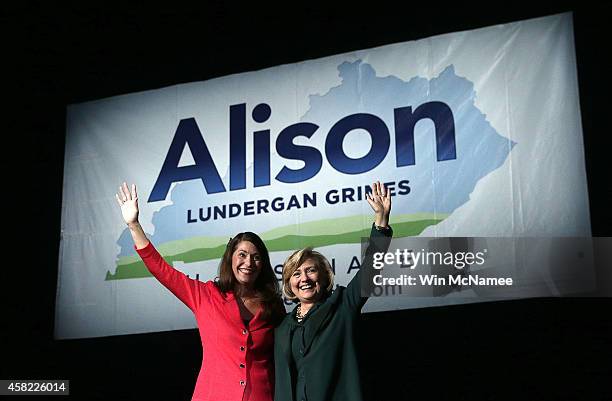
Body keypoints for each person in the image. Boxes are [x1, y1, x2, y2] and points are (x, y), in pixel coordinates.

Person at [116, 182, 284, 401]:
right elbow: (162, 270)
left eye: (256, 257)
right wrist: (133, 224)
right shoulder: (205, 295)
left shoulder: (273, 305)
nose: (248, 262)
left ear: (263, 264)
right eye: (242, 254)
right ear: (230, 259)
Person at [274, 181, 393, 401]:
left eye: (310, 271)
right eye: (296, 274)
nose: (304, 279)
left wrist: (381, 223)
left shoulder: (342, 306)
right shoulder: (282, 329)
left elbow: (371, 269)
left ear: (324, 275)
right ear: (289, 283)